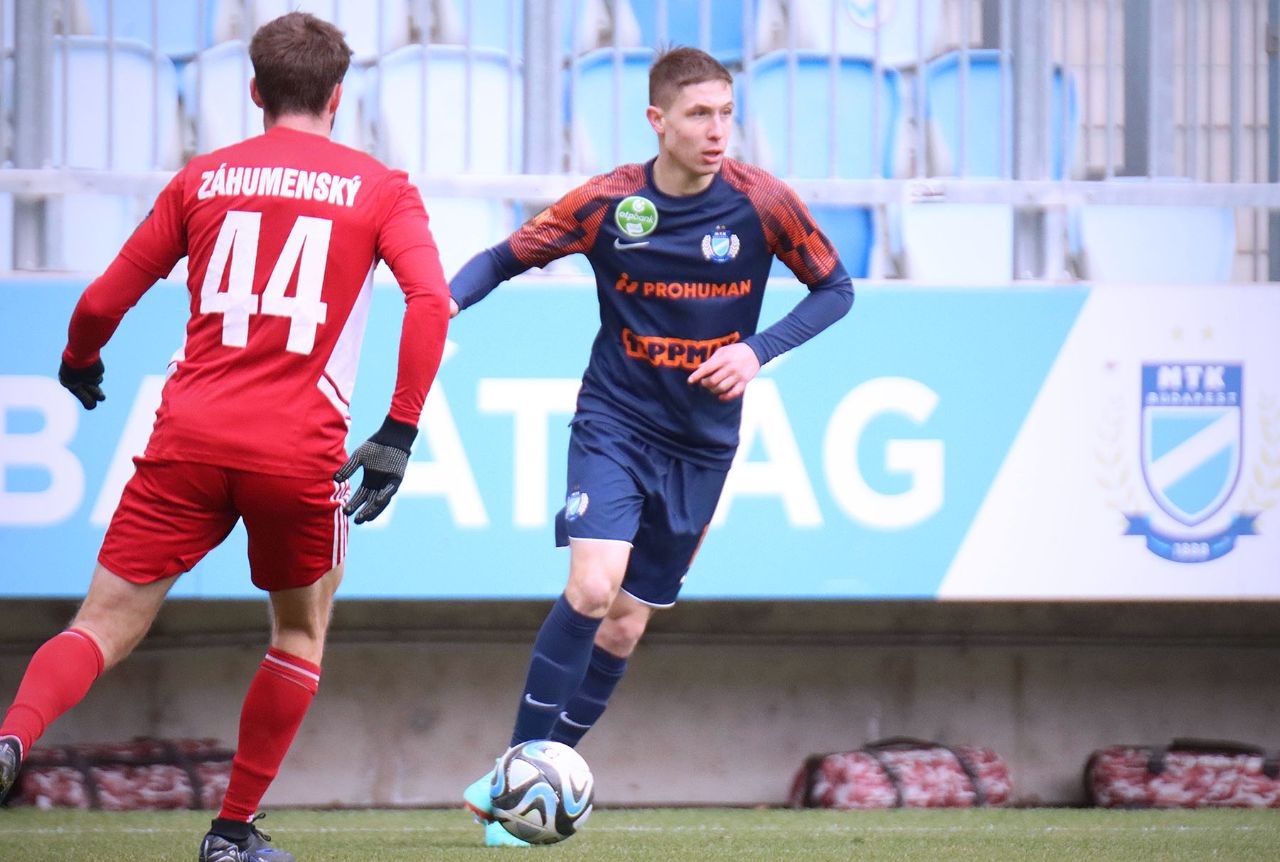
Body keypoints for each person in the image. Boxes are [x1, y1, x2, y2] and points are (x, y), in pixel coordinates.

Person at [0, 12, 449, 862]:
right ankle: (231, 834)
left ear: (254, 91)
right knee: (298, 633)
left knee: (102, 623)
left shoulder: (202, 178)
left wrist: (80, 359)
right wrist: (397, 431)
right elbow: (430, 300)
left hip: (189, 436)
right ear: (338, 97)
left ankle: (14, 734)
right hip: (297, 451)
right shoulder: (381, 188)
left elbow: (101, 300)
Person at [449, 46, 854, 846]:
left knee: (625, 627)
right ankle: (512, 781)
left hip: (702, 446)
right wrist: (441, 304)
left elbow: (835, 290)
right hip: (616, 422)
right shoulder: (608, 204)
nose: (717, 130)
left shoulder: (762, 202)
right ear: (657, 121)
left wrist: (757, 351)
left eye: (727, 113)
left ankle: (534, 782)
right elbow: (502, 260)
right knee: (593, 586)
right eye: (700, 114)